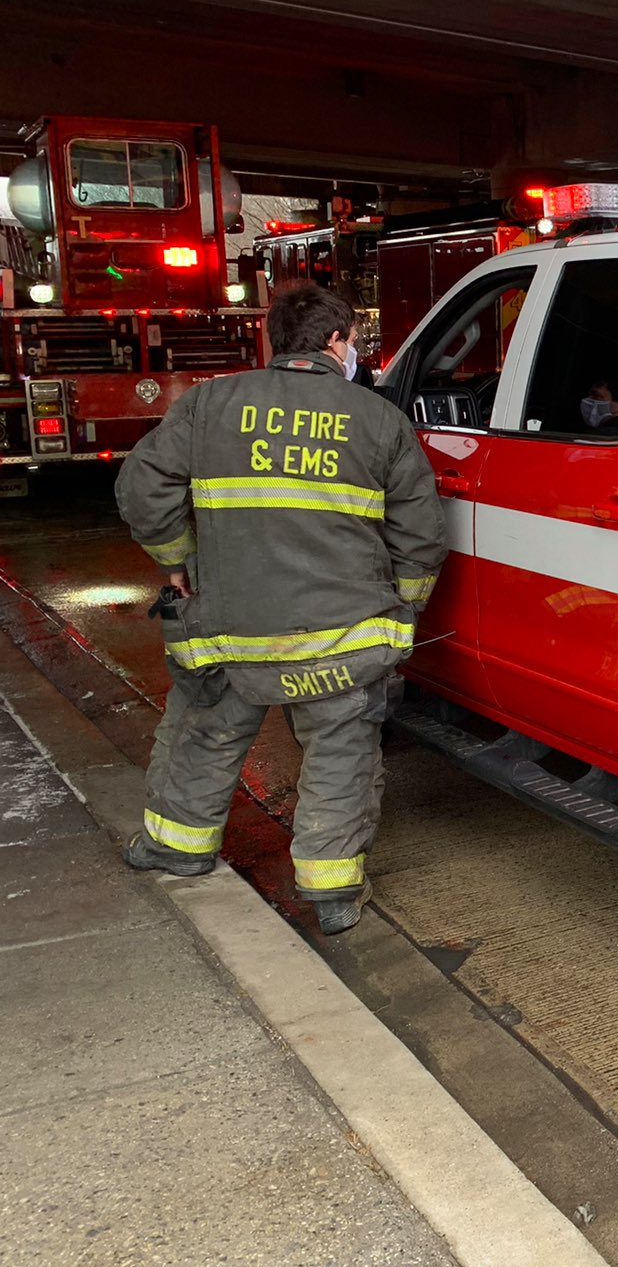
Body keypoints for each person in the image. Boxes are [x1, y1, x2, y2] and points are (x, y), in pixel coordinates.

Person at [114, 283, 448, 934]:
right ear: (334, 342)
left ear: (274, 343)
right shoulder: (377, 418)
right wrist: (406, 612)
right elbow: (422, 536)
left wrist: (176, 564)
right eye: (352, 339)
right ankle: (332, 896)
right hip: (342, 639)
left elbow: (141, 486)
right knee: (340, 753)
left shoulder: (211, 402)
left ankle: (176, 848)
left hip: (229, 630)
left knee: (206, 730)